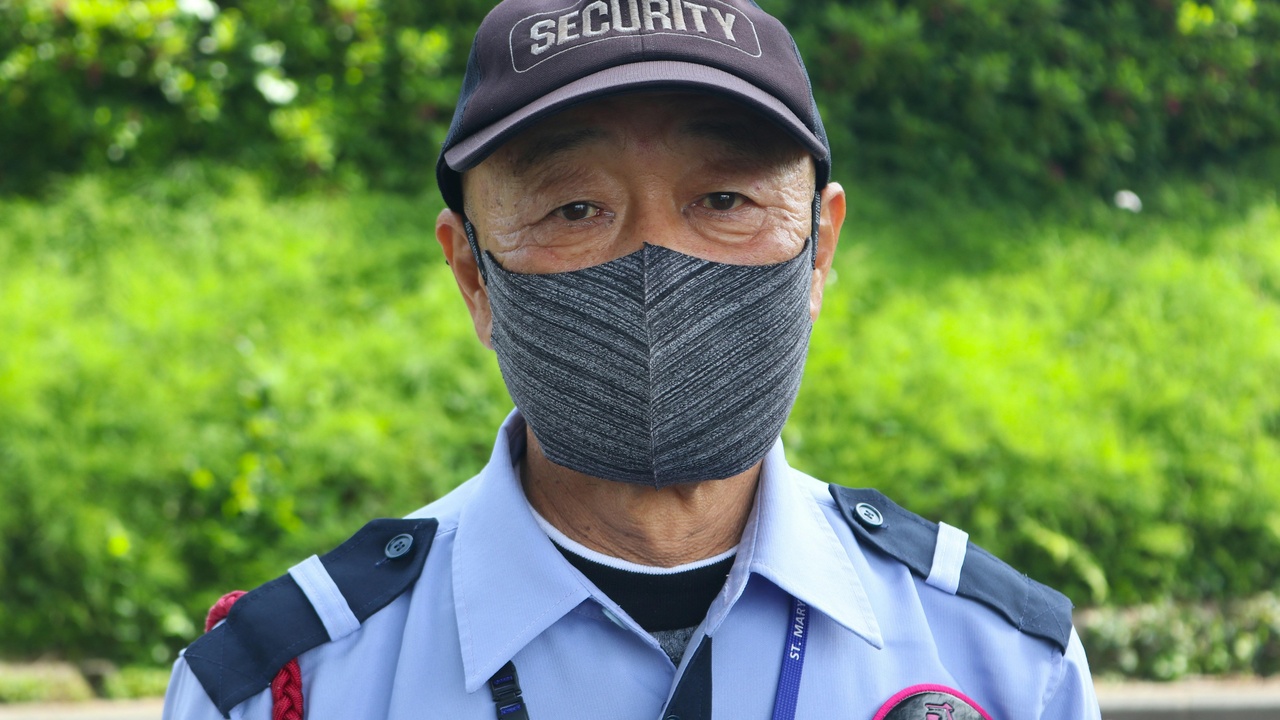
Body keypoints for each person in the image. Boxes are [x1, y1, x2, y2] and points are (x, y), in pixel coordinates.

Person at [163, 1, 1102, 718]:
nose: (658, 261)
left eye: (724, 200)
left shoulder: (1006, 665)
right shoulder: (288, 687)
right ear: (472, 274)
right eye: (575, 208)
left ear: (818, 249)